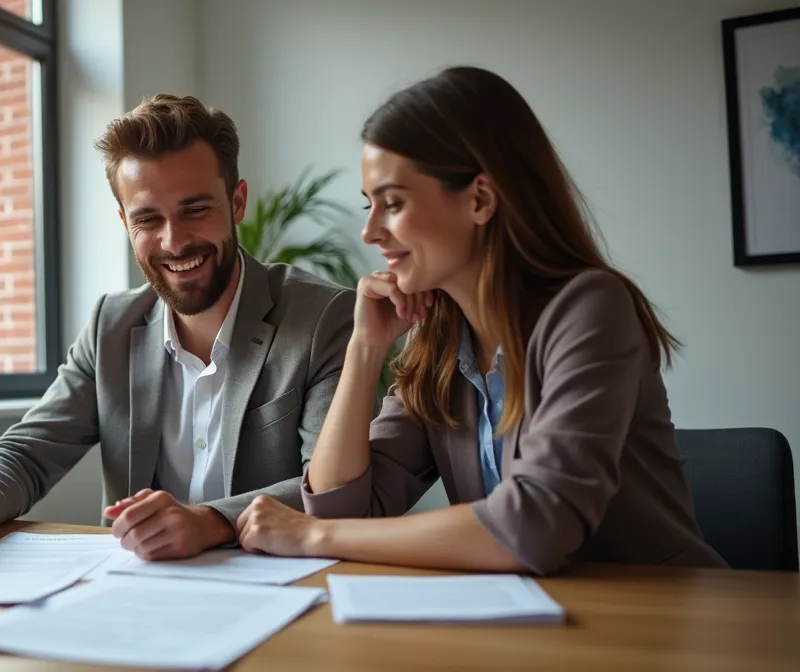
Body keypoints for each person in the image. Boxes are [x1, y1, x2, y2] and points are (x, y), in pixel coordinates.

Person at [235, 66, 727, 575]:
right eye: (369, 206)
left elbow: (535, 528)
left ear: (480, 199)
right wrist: (365, 348)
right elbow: (343, 505)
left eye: (393, 204)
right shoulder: (440, 340)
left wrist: (313, 535)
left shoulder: (591, 310)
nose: (370, 232)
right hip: (529, 626)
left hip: (659, 622)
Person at [0, 94, 354, 561]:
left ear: (237, 202)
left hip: (281, 589)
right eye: (148, 219)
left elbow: (335, 490)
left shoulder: (325, 318)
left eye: (195, 210)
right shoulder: (111, 325)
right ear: (125, 222)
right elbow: (32, 447)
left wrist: (213, 520)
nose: (174, 242)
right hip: (134, 591)